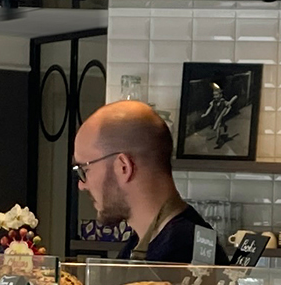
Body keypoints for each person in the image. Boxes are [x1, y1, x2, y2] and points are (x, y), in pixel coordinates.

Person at [70, 99, 213, 263]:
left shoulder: (180, 253)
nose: (82, 185)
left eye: (84, 169)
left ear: (123, 167)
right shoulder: (143, 241)